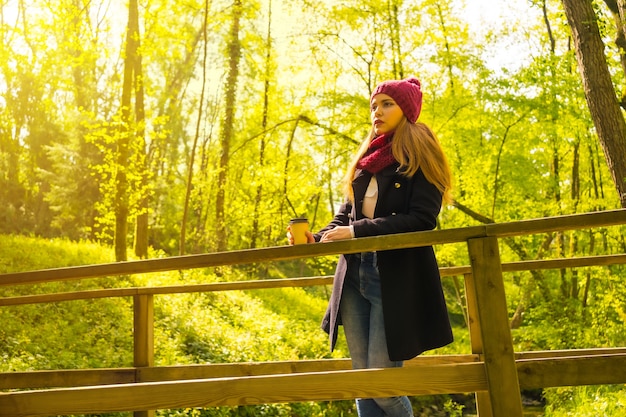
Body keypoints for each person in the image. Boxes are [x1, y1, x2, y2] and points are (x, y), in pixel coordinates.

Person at [288, 77, 453, 417]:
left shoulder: (422, 153)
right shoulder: (366, 160)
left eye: (387, 104)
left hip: (394, 277)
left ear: (406, 110)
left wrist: (355, 232)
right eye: (373, 106)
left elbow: (422, 219)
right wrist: (315, 238)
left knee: (383, 385)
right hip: (353, 276)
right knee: (363, 384)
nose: (377, 111)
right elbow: (344, 218)